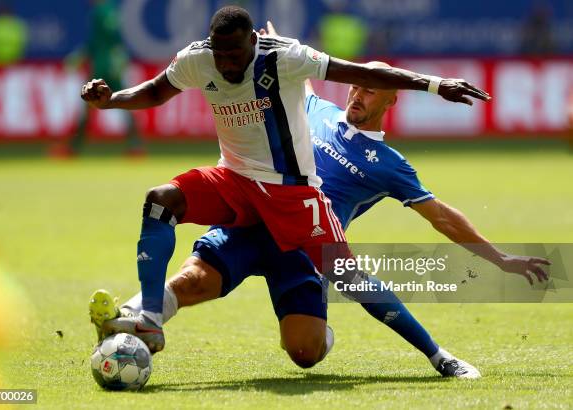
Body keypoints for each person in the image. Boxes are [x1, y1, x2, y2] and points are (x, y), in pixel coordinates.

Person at [82, 6, 491, 354]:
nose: (226, 64)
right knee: (164, 206)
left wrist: (436, 85)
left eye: (235, 54)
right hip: (237, 183)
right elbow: (155, 92)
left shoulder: (290, 64)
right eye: (219, 53)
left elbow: (352, 71)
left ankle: (435, 355)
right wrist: (112, 99)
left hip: (293, 207)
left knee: (310, 341)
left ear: (253, 45)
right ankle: (145, 315)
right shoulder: (203, 60)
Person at [52, 0, 142, 157]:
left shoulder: (102, 11)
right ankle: (135, 146)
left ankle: (73, 148)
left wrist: (79, 56)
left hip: (102, 65)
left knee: (89, 103)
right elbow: (113, 39)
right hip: (111, 65)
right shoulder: (109, 9)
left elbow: (101, 40)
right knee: (125, 102)